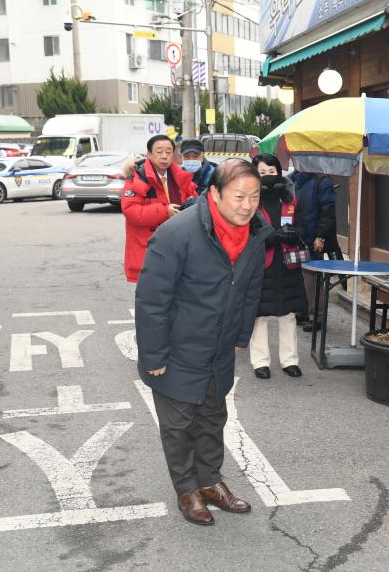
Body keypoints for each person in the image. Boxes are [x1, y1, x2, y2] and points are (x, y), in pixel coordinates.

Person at [135, 159, 271, 526]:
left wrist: (240, 335)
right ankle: (187, 490)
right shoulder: (176, 233)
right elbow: (152, 300)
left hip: (219, 348)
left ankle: (210, 482)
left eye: (254, 197)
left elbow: (250, 289)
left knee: (213, 417)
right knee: (179, 425)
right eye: (239, 196)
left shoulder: (257, 231)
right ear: (214, 193)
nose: (247, 206)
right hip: (178, 347)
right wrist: (153, 356)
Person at [249, 153, 307, 380]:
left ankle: (290, 360)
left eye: (272, 172)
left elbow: (303, 227)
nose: (268, 176)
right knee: (259, 315)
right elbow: (243, 233)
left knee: (288, 314)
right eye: (262, 173)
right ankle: (260, 362)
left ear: (279, 172)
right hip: (261, 264)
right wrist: (270, 238)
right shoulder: (250, 200)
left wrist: (294, 235)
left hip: (287, 264)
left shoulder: (291, 198)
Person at [121, 134, 197, 282]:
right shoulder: (137, 178)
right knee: (151, 300)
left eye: (168, 152)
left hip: (178, 247)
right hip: (148, 250)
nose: (164, 156)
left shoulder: (181, 177)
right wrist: (164, 211)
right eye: (159, 152)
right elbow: (131, 211)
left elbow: (194, 200)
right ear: (149, 154)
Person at [287, 170, 336, 332]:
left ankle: (317, 317)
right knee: (297, 276)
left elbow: (327, 211)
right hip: (296, 237)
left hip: (314, 238)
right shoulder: (292, 179)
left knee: (312, 279)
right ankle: (301, 311)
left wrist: (320, 236)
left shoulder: (322, 180)